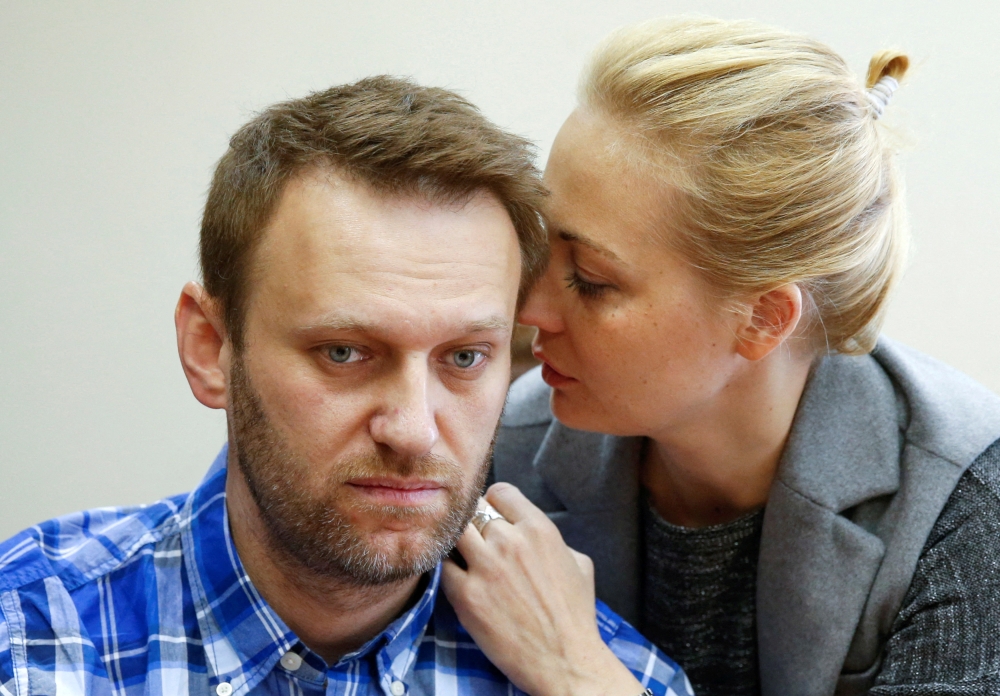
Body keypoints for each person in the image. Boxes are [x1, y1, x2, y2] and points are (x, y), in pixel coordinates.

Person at [0, 77, 692, 696]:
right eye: (344, 352)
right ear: (210, 349)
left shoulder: (618, 678)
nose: (414, 427)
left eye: (465, 358)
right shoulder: (30, 641)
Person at [441, 17, 1000, 696]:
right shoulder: (496, 446)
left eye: (590, 278)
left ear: (762, 319)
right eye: (540, 247)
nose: (527, 313)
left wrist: (576, 674)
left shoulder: (969, 509)